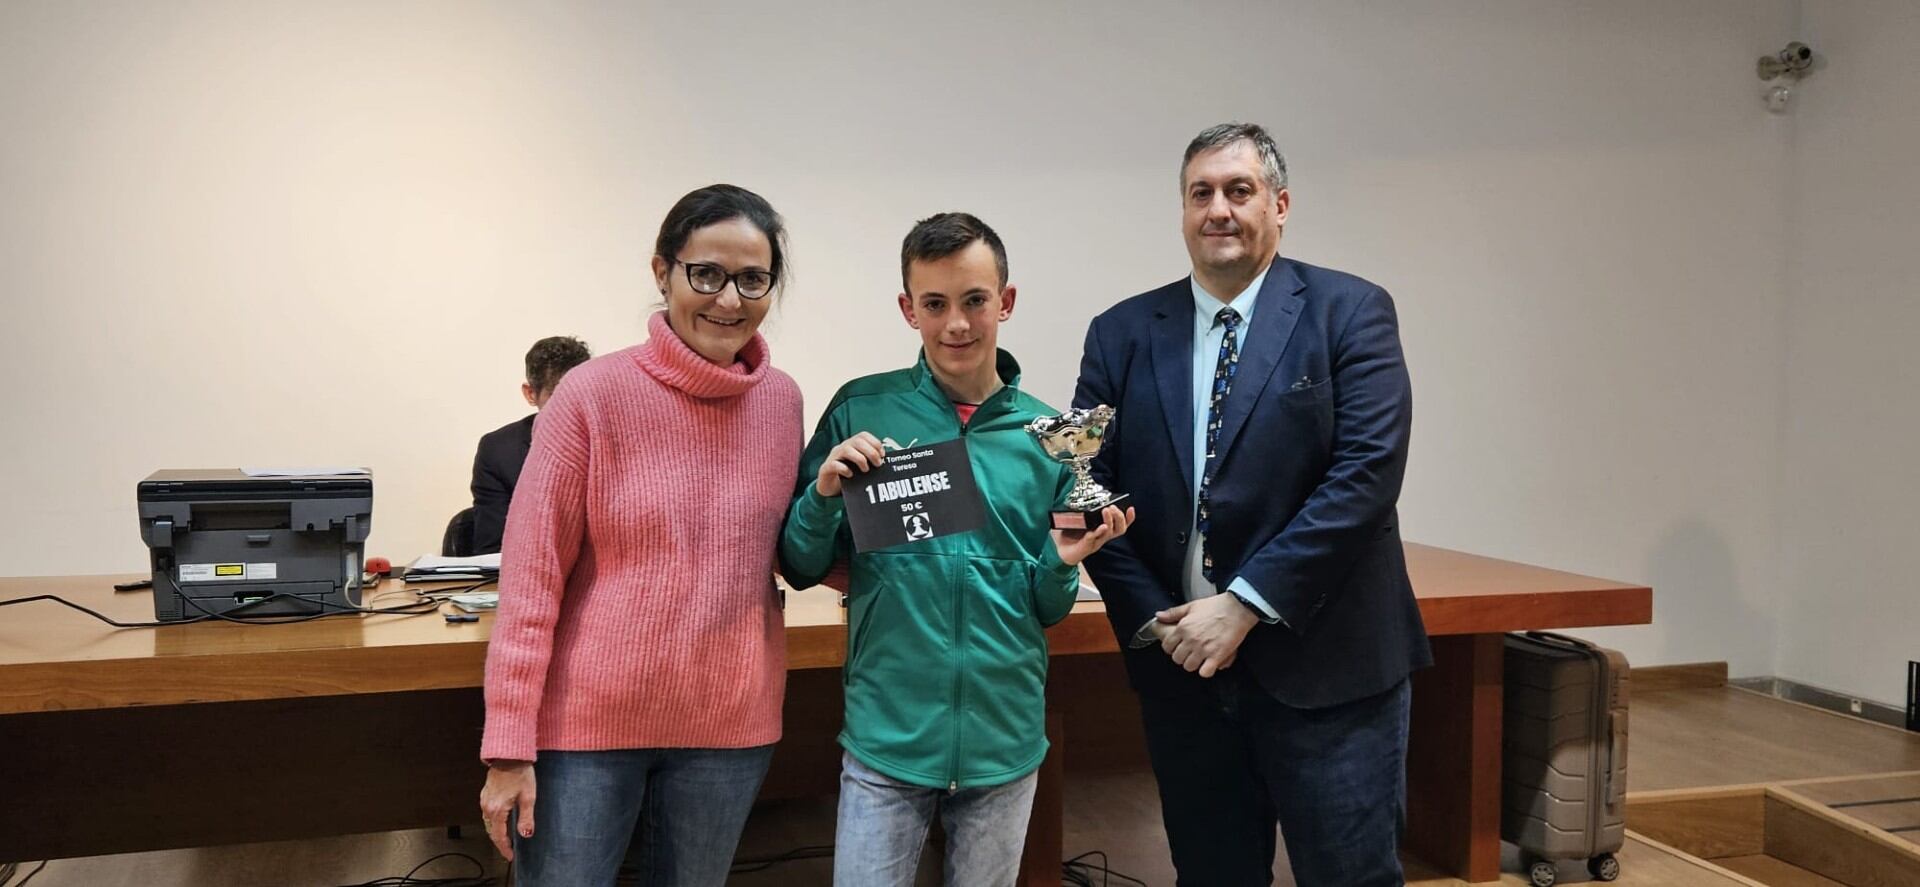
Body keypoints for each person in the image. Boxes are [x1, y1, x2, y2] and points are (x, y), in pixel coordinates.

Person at [1072, 123, 1431, 886]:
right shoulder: (1122, 332)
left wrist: (1243, 605)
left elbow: (1365, 476)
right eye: (1201, 192)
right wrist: (1156, 624)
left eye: (1239, 190)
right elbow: (1083, 489)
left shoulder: (1350, 312)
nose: (1219, 209)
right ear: (1182, 210)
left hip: (1329, 675)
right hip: (1185, 672)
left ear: (1281, 203)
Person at [779, 213, 1132, 887]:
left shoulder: (1046, 435)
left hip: (1006, 743)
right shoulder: (860, 408)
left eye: (974, 300)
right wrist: (823, 492)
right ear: (908, 309)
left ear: (1006, 301)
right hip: (887, 738)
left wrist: (1060, 562)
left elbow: (1046, 607)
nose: (957, 325)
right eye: (935, 304)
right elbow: (798, 562)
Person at [478, 184, 805, 886]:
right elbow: (530, 579)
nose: (729, 299)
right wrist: (509, 746)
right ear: (663, 272)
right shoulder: (590, 396)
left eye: (753, 278)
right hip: (587, 731)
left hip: (729, 724)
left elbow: (788, 548)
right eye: (706, 273)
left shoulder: (783, 403)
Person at [469, 336, 592, 555]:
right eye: (558, 396)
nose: (573, 407)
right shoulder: (499, 451)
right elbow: (493, 549)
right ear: (530, 394)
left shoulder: (616, 439)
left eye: (583, 394)